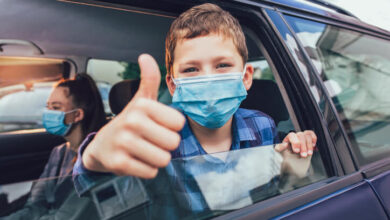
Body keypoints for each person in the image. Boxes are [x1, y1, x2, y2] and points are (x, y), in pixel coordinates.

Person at [73, 3, 317, 214]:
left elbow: (276, 189)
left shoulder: (263, 126)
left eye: (222, 65)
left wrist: (295, 157)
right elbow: (97, 185)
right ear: (172, 84)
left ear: (245, 77)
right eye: (191, 69)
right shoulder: (155, 141)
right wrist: (93, 158)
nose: (209, 79)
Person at [3, 73, 106, 220]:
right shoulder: (59, 152)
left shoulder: (96, 160)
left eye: (56, 107)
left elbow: (69, 216)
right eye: (48, 107)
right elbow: (36, 204)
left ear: (77, 115)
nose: (48, 113)